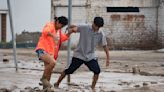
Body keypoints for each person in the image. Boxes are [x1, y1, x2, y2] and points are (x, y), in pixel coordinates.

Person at [54, 17, 110, 90]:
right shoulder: (85, 27)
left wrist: (108, 58)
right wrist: (70, 29)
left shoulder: (101, 34)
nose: (96, 28)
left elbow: (105, 46)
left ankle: (92, 88)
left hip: (90, 56)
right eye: (96, 26)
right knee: (69, 70)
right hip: (79, 55)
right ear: (93, 23)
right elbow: (75, 27)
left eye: (98, 27)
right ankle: (57, 83)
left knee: (97, 71)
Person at [35, 16, 74, 90]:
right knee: (53, 63)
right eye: (61, 25)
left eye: (62, 27)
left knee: (49, 71)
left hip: (50, 52)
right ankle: (43, 78)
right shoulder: (50, 25)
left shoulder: (58, 31)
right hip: (42, 49)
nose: (61, 27)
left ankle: (45, 88)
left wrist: (70, 33)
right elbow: (45, 31)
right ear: (58, 22)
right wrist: (53, 35)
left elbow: (62, 38)